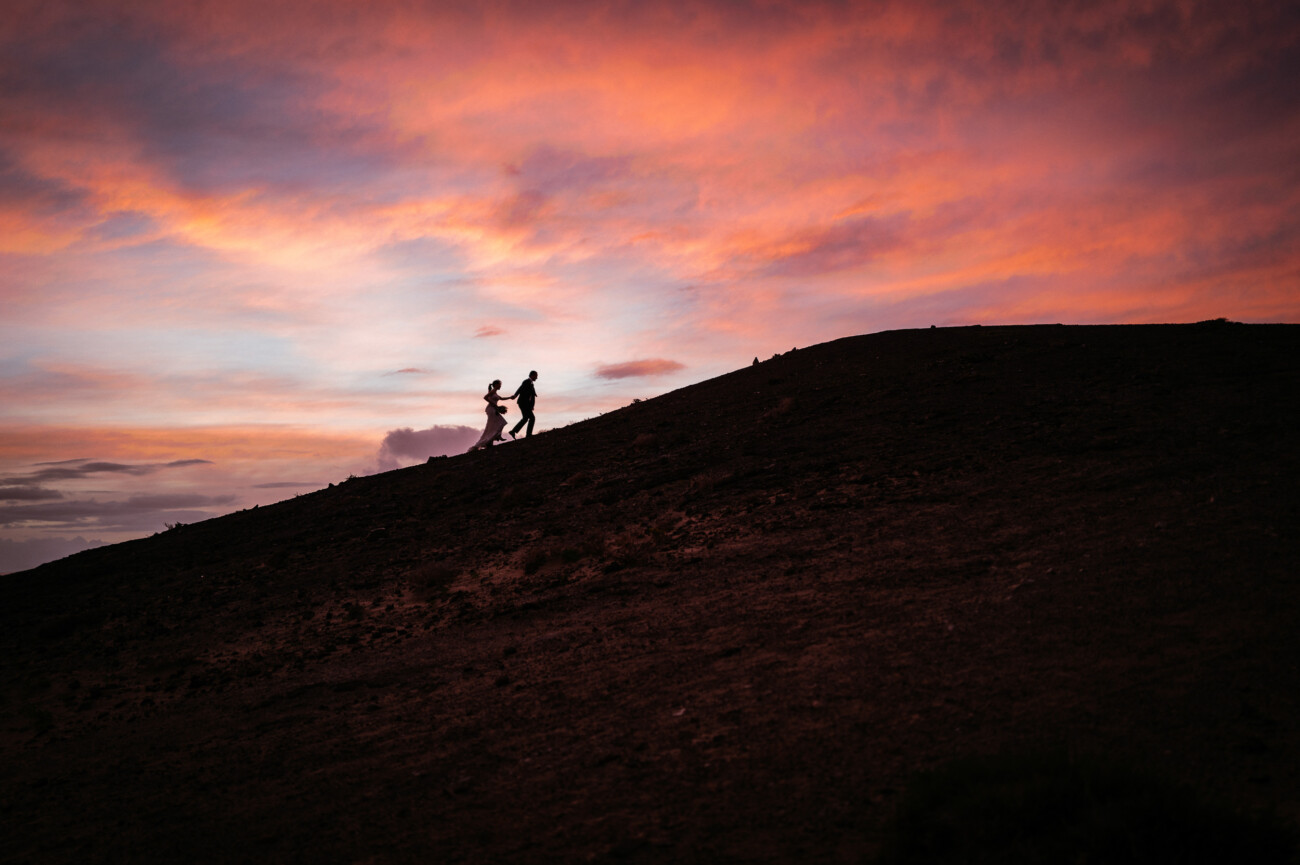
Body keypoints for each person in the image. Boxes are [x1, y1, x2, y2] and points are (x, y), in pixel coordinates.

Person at [467, 380, 513, 451]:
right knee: (500, 422)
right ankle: (496, 436)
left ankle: (491, 441)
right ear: (496, 385)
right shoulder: (493, 391)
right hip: (491, 409)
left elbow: (502, 398)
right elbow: (485, 397)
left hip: (494, 409)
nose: (500, 386)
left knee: (493, 425)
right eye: (499, 384)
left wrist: (510, 397)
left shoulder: (495, 392)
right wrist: (494, 404)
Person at [508, 370, 539, 439]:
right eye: (536, 376)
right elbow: (520, 388)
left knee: (525, 418)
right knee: (532, 418)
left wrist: (531, 406)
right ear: (532, 375)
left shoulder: (531, 383)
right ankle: (528, 434)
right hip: (523, 403)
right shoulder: (526, 381)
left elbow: (532, 396)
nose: (537, 378)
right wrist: (515, 395)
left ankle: (513, 431)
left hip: (525, 404)